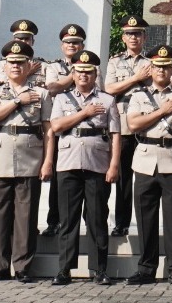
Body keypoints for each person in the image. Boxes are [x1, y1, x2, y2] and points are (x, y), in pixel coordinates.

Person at [127, 44, 172, 286]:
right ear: (151, 69)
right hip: (146, 160)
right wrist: (162, 110)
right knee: (145, 218)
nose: (161, 70)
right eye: (157, 66)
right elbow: (134, 125)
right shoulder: (138, 96)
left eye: (166, 66)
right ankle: (146, 268)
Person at [0, 40, 53, 283]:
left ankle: (22, 266)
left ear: (28, 65)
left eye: (20, 62)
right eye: (11, 62)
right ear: (4, 64)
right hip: (0, 151)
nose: (15, 66)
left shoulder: (41, 93)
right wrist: (17, 101)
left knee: (26, 214)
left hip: (30, 154)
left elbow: (48, 130)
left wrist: (47, 161)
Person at [50, 50, 121, 285]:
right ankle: (64, 269)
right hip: (68, 163)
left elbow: (115, 135)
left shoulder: (107, 99)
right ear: (73, 73)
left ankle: (99, 269)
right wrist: (85, 113)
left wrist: (114, 165)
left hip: (97, 163)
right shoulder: (61, 99)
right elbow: (57, 126)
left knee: (97, 218)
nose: (84, 75)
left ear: (95, 74)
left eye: (88, 71)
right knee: (68, 219)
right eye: (79, 71)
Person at [104, 14, 152, 237]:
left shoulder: (151, 62)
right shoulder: (115, 62)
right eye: (129, 34)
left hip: (145, 125)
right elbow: (110, 89)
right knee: (123, 178)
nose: (134, 37)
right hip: (122, 126)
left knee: (145, 179)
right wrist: (136, 78)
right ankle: (121, 222)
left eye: (138, 33)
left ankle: (144, 223)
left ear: (144, 37)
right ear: (123, 37)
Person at [39, 24, 86, 237]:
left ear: (82, 45)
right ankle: (54, 221)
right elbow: (52, 89)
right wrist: (74, 75)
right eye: (68, 42)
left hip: (85, 128)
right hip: (60, 126)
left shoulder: (92, 66)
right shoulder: (53, 67)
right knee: (59, 177)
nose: (72, 46)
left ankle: (82, 222)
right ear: (62, 45)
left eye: (76, 42)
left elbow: (99, 92)